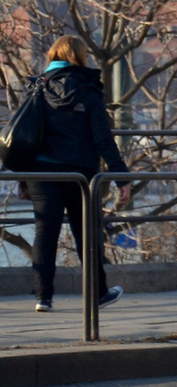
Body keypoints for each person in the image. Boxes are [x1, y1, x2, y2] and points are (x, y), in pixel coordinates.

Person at [20, 35, 131, 313]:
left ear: (53, 55)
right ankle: (98, 294)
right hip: (80, 174)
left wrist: (23, 178)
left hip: (42, 172)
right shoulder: (89, 89)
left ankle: (43, 298)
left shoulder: (36, 87)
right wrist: (122, 178)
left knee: (45, 233)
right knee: (87, 234)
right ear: (80, 57)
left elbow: (26, 136)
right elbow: (103, 139)